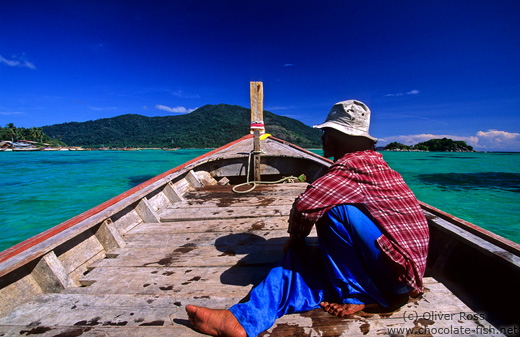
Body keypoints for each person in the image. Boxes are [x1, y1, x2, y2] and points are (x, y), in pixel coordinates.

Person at [186, 100, 429, 337]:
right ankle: (245, 319)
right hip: (405, 272)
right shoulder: (377, 165)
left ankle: (359, 294)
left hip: (396, 272)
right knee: (306, 263)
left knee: (330, 210)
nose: (322, 139)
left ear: (339, 137)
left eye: (326, 133)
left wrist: (296, 238)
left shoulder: (351, 168)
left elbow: (305, 205)